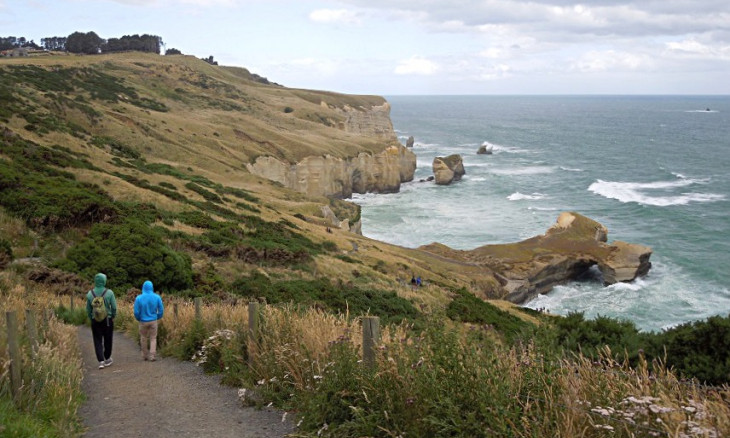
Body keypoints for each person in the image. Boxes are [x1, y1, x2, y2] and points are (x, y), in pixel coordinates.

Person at [86, 273, 117, 369]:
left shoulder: (90, 293)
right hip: (107, 319)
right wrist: (113, 316)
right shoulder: (109, 292)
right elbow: (114, 307)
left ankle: (101, 361)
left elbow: (88, 309)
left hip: (95, 320)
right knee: (108, 339)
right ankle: (107, 358)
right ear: (104, 281)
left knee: (97, 340)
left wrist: (91, 318)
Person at [134, 280, 164, 362]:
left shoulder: (139, 298)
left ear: (143, 287)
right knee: (153, 338)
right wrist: (157, 316)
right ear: (152, 287)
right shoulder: (157, 297)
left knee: (143, 338)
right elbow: (161, 310)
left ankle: (145, 355)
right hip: (153, 320)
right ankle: (152, 355)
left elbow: (136, 312)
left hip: (143, 321)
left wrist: (139, 318)